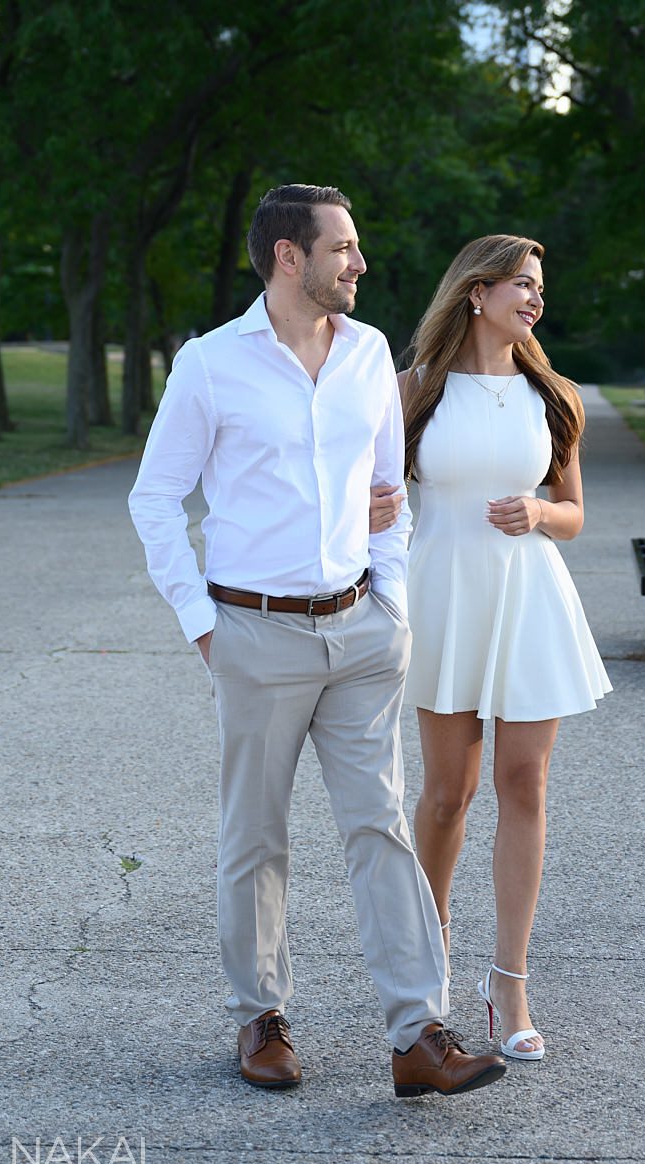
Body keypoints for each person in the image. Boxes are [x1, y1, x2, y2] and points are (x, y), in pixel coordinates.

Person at [128, 185, 506, 1098]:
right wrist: (204, 626)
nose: (360, 263)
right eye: (343, 247)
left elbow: (388, 492)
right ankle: (259, 1019)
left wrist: (393, 601)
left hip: (361, 632)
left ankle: (418, 1036)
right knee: (254, 837)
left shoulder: (371, 353)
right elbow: (154, 498)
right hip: (252, 631)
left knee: (380, 829)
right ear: (288, 258)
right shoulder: (211, 365)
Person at [396, 234, 612, 1062]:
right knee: (448, 792)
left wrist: (538, 515)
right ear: (476, 292)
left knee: (524, 783)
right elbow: (366, 490)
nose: (534, 300)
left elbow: (572, 512)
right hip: (442, 596)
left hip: (528, 600)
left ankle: (508, 982)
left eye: (539, 288)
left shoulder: (552, 396)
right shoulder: (413, 390)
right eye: (522, 285)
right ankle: (427, 963)